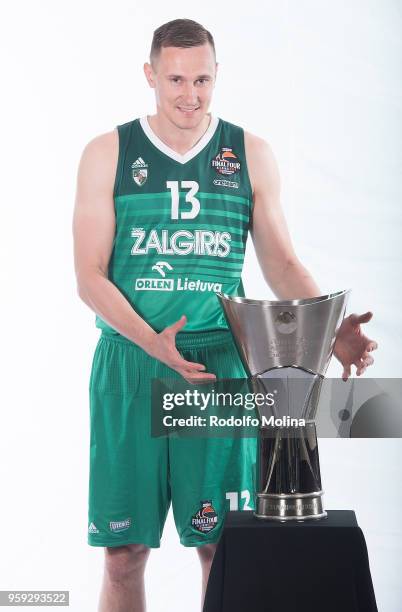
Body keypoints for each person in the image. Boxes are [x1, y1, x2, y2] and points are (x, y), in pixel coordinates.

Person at [72, 18, 378, 612]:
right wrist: (150, 340)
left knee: (220, 547)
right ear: (150, 76)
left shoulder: (249, 153)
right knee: (123, 553)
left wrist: (328, 330)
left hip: (218, 368)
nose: (190, 94)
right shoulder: (108, 153)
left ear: (218, 76)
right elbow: (89, 275)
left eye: (203, 80)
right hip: (131, 362)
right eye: (176, 80)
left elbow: (282, 263)